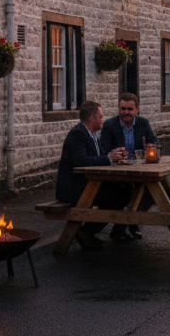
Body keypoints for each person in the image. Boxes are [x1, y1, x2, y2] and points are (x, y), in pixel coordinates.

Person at [55, 100, 127, 250]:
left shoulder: (93, 134)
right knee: (116, 197)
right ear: (91, 118)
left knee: (123, 192)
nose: (102, 119)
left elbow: (98, 157)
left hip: (88, 184)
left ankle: (88, 232)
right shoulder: (78, 134)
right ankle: (85, 231)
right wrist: (108, 158)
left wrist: (115, 157)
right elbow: (81, 161)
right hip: (74, 187)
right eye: (100, 117)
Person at [99, 92, 158, 241]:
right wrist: (115, 155)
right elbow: (104, 151)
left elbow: (155, 144)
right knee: (129, 193)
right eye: (123, 109)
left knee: (154, 191)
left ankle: (130, 223)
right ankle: (128, 225)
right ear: (119, 109)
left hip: (140, 170)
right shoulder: (109, 125)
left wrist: (152, 147)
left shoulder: (143, 123)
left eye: (130, 109)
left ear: (137, 110)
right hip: (118, 173)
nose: (126, 112)